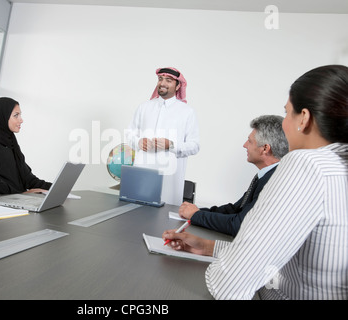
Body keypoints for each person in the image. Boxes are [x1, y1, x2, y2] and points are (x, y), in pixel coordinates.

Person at [163, 65, 348, 300]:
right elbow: (283, 255)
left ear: (305, 118)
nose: (284, 124)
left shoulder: (307, 164)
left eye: (287, 112)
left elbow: (230, 283)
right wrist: (207, 246)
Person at [179, 115, 288, 236]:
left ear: (265, 148)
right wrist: (197, 211)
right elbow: (235, 209)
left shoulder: (274, 181)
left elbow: (239, 224)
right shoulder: (266, 175)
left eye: (250, 141)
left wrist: (196, 215)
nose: (245, 145)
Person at [126, 67, 200, 206]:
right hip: (143, 175)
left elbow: (195, 146)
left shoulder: (187, 112)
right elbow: (130, 134)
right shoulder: (144, 107)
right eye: (160, 79)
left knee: (165, 221)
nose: (163, 83)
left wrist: (170, 145)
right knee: (135, 217)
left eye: (169, 80)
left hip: (169, 180)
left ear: (178, 85)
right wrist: (138, 142)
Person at [0, 97, 52, 195]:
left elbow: (28, 179)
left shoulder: (10, 141)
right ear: (1, 117)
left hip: (16, 198)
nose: (21, 120)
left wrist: (54, 187)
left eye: (20, 115)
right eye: (16, 115)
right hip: (0, 201)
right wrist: (21, 195)